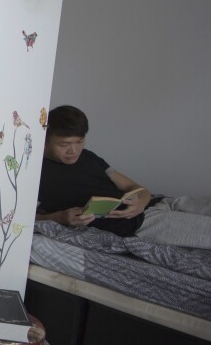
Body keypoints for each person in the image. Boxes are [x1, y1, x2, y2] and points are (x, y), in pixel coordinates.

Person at [36, 105, 211, 250]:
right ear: (45, 141)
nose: (73, 151)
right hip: (139, 222)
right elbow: (20, 218)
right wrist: (60, 217)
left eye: (80, 141)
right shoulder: (35, 172)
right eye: (64, 144)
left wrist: (141, 203)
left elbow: (137, 188)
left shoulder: (89, 156)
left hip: (157, 203)